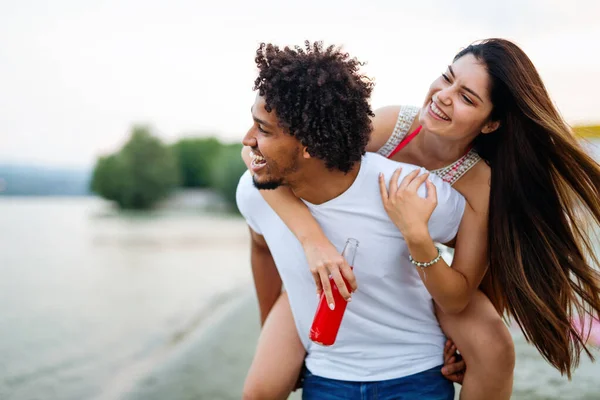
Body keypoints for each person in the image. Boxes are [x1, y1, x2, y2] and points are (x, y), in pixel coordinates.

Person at [241, 38, 600, 400]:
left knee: (493, 346)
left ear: (491, 124)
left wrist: (416, 234)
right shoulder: (390, 125)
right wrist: (313, 241)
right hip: (336, 258)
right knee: (261, 387)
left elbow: (461, 293)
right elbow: (276, 159)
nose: (444, 95)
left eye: (467, 98)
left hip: (424, 270)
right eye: (447, 78)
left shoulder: (479, 184)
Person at [236, 41, 477, 400]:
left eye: (264, 130)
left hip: (416, 375)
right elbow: (261, 248)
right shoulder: (254, 192)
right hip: (325, 376)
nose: (247, 140)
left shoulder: (409, 191)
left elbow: (488, 255)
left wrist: (463, 334)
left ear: (308, 146)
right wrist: (275, 327)